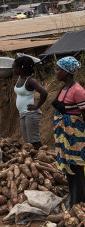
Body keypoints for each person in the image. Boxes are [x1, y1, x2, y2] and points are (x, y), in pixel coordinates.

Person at [52, 56, 85, 207]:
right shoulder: (65, 87)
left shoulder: (78, 91)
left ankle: (79, 201)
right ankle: (74, 198)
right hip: (64, 135)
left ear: (66, 72)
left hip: (75, 137)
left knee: (76, 167)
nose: (55, 72)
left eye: (58, 70)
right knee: (68, 167)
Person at [13, 56, 48, 150]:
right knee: (27, 141)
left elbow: (44, 93)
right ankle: (34, 159)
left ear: (22, 67)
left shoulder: (30, 80)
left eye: (15, 67)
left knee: (34, 141)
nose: (13, 69)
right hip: (22, 113)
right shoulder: (19, 79)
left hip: (30, 114)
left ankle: (43, 156)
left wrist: (37, 106)